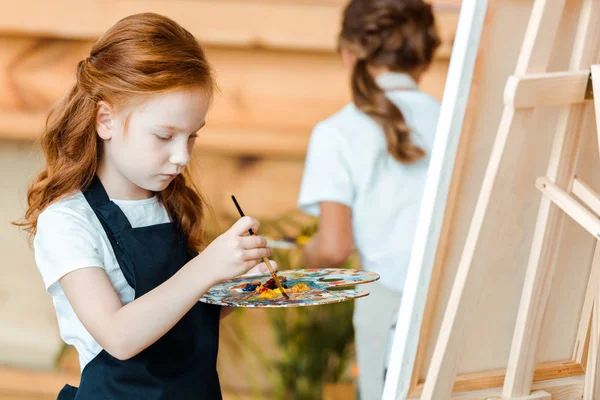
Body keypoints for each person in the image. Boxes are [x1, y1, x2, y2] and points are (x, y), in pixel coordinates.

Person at [13, 13, 274, 399]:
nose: (182, 156)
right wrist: (206, 267)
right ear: (106, 119)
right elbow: (118, 336)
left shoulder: (170, 205)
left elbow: (184, 316)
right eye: (165, 136)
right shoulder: (68, 221)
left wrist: (243, 286)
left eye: (192, 136)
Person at [297, 0, 441, 398]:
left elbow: (333, 249)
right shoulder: (453, 121)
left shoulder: (337, 133)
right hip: (460, 318)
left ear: (348, 54)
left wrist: (306, 256)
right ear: (426, 56)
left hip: (392, 326)